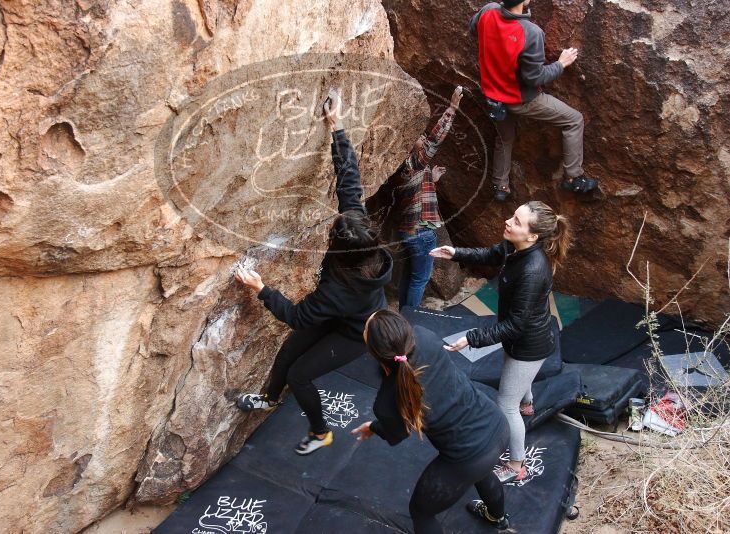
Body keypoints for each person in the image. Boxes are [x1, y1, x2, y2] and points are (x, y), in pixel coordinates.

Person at [234, 88, 393, 456]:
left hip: (356, 332)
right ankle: (269, 399)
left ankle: (320, 432)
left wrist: (261, 287)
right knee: (289, 352)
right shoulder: (363, 237)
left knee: (300, 374)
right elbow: (349, 180)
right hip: (346, 312)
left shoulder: (339, 287)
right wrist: (336, 127)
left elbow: (297, 316)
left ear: (340, 249)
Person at [430, 201, 572, 483]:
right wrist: (456, 253)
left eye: (517, 221)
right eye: (513, 216)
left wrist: (471, 338)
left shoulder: (533, 270)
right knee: (518, 383)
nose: (508, 221)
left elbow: (515, 326)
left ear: (532, 236)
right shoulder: (517, 246)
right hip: (526, 336)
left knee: (506, 404)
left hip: (528, 344)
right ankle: (528, 404)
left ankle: (517, 464)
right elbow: (493, 253)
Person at [352, 309, 511, 533]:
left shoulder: (387, 400)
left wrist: (373, 427)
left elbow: (397, 433)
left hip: (468, 456)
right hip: (498, 426)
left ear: (374, 351)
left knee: (421, 512)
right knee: (483, 471)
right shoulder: (425, 336)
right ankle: (498, 518)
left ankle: (496, 516)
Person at [470, 0, 599, 201]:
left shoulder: (488, 11)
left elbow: (473, 30)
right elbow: (535, 78)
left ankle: (499, 186)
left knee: (504, 139)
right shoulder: (531, 32)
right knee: (574, 120)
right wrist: (560, 64)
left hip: (493, 96)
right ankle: (574, 178)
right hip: (520, 99)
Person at [393, 86, 462, 309]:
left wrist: (431, 179)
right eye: (418, 137)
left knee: (410, 276)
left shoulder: (406, 169)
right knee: (420, 279)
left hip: (407, 231)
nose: (422, 138)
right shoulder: (413, 162)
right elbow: (434, 140)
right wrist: (451, 108)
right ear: (409, 147)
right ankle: (410, 319)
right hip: (421, 233)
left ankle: (404, 313)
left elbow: (413, 193)